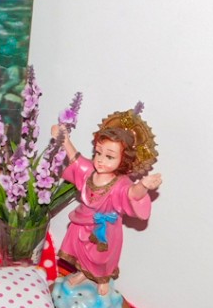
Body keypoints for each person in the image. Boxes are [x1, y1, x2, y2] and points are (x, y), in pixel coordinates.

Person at [52, 114, 162, 296]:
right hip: (82, 221)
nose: (101, 160)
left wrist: (143, 185)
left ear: (123, 160)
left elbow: (131, 194)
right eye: (98, 153)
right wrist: (64, 139)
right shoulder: (89, 171)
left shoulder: (120, 183)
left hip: (105, 229)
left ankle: (102, 279)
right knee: (80, 251)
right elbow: (75, 159)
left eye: (109, 156)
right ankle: (83, 273)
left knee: (101, 257)